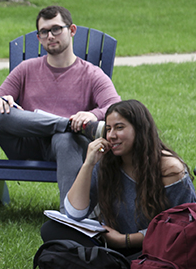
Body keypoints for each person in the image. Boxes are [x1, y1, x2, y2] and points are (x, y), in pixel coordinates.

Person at [0, 5, 121, 208]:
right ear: (38, 37)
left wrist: (92, 115)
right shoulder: (26, 69)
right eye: (44, 31)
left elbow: (115, 107)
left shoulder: (91, 74)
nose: (50, 36)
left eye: (56, 29)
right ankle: (65, 124)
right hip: (27, 143)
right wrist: (2, 101)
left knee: (65, 138)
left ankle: (70, 217)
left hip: (69, 148)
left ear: (72, 30)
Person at [41, 100, 196, 258]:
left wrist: (125, 240)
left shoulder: (169, 169)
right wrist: (88, 164)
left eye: (119, 128)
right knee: (51, 230)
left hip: (152, 247)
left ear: (140, 130)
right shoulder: (106, 161)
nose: (111, 135)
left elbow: (181, 227)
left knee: (169, 252)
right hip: (112, 245)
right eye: (108, 129)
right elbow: (75, 213)